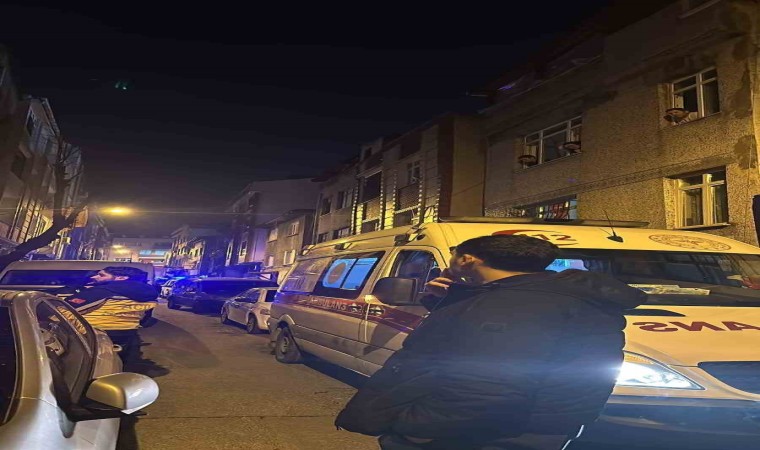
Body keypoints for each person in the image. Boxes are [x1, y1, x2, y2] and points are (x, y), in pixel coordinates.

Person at [335, 235, 646, 450]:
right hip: (533, 426)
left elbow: (487, 386)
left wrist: (415, 430)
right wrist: (451, 300)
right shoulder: (548, 296)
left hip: (486, 435)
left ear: (467, 259)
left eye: (454, 256)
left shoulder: (513, 305)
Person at [64, 266, 158, 360]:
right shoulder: (148, 294)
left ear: (121, 278)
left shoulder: (101, 291)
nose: (94, 277)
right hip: (126, 333)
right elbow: (145, 318)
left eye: (101, 275)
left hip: (93, 332)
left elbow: (67, 306)